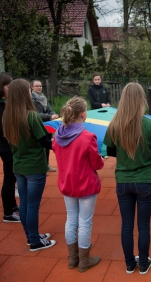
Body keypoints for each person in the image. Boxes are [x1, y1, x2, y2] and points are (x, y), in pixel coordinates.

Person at [104, 82, 151, 275]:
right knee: (144, 225)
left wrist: (127, 157)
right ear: (141, 100)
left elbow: (110, 151)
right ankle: (144, 263)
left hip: (123, 181)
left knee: (126, 224)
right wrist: (147, 157)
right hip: (146, 180)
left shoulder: (114, 124)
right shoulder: (149, 124)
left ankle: (129, 263)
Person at [3, 79, 56, 251]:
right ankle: (34, 240)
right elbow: (44, 142)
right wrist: (60, 141)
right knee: (32, 205)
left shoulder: (7, 116)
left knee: (25, 204)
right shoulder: (31, 116)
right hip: (34, 166)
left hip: (18, 165)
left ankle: (30, 236)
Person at [53, 96, 104, 272]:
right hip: (86, 185)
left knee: (71, 219)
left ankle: (73, 258)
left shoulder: (57, 136)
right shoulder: (87, 137)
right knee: (85, 222)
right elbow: (97, 164)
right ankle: (84, 260)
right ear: (83, 114)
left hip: (67, 184)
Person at [0, 73, 19, 222]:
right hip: (5, 146)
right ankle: (8, 212)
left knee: (11, 177)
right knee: (9, 178)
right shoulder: (1, 106)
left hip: (7, 144)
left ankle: (12, 207)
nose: (11, 88)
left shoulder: (5, 104)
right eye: (8, 86)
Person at [31, 79, 59, 172]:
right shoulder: (32, 99)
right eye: (37, 86)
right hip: (38, 124)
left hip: (47, 124)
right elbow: (36, 113)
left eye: (40, 86)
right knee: (41, 146)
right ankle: (41, 166)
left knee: (47, 146)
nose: (39, 87)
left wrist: (54, 114)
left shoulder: (43, 97)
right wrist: (50, 116)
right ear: (32, 87)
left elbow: (49, 109)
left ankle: (46, 165)